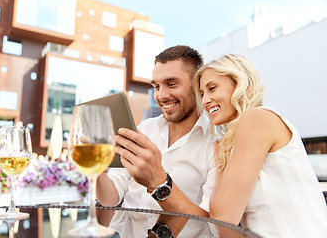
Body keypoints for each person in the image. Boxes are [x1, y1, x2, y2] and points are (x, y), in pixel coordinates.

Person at [193, 54, 327, 237]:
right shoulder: (236, 139)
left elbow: (223, 219)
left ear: (239, 84)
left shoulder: (257, 118)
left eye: (212, 88)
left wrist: (220, 167)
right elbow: (221, 224)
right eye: (202, 94)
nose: (205, 100)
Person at [96, 45, 217, 237]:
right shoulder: (144, 129)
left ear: (197, 85)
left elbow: (213, 227)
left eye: (171, 84)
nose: (161, 96)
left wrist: (159, 181)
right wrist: (98, 173)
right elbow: (111, 197)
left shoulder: (216, 144)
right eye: (156, 86)